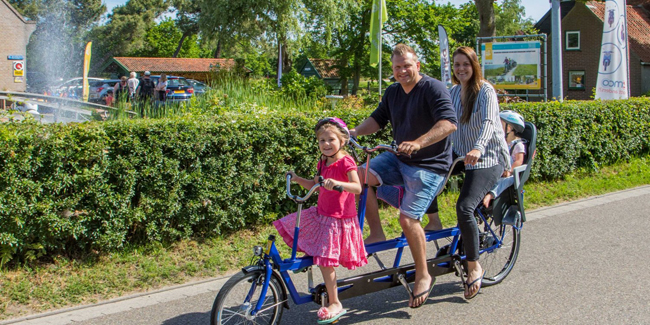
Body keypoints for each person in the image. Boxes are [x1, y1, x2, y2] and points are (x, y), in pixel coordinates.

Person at [350, 44, 457, 308]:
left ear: (417, 65)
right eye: (397, 67)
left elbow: (448, 123)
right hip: (400, 158)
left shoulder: (433, 88)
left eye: (406, 66)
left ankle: (423, 274)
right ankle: (376, 234)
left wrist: (419, 142)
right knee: (359, 177)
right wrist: (352, 133)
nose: (402, 71)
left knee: (408, 220)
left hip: (430, 165)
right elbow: (377, 120)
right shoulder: (393, 92)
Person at [273, 117, 367, 324]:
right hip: (322, 213)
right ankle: (310, 256)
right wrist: (298, 179)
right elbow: (315, 184)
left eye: (331, 139)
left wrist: (338, 184)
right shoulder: (323, 162)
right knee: (292, 223)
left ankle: (335, 303)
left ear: (342, 141)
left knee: (325, 262)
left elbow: (357, 187)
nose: (326, 144)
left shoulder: (346, 161)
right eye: (322, 140)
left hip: (339, 218)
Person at [449, 46, 511, 300]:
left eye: (466, 64)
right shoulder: (453, 92)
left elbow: (488, 123)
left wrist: (478, 147)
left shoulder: (485, 90)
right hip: (463, 155)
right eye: (457, 65)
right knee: (424, 179)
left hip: (488, 157)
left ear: (474, 65)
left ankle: (474, 265)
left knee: (464, 207)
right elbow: (446, 124)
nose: (461, 69)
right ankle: (441, 232)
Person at [482, 110, 527, 207]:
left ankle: (491, 195)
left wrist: (509, 171)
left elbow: (519, 161)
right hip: (499, 171)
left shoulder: (518, 145)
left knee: (503, 182)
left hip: (512, 175)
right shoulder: (503, 143)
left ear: (509, 128)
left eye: (500, 124)